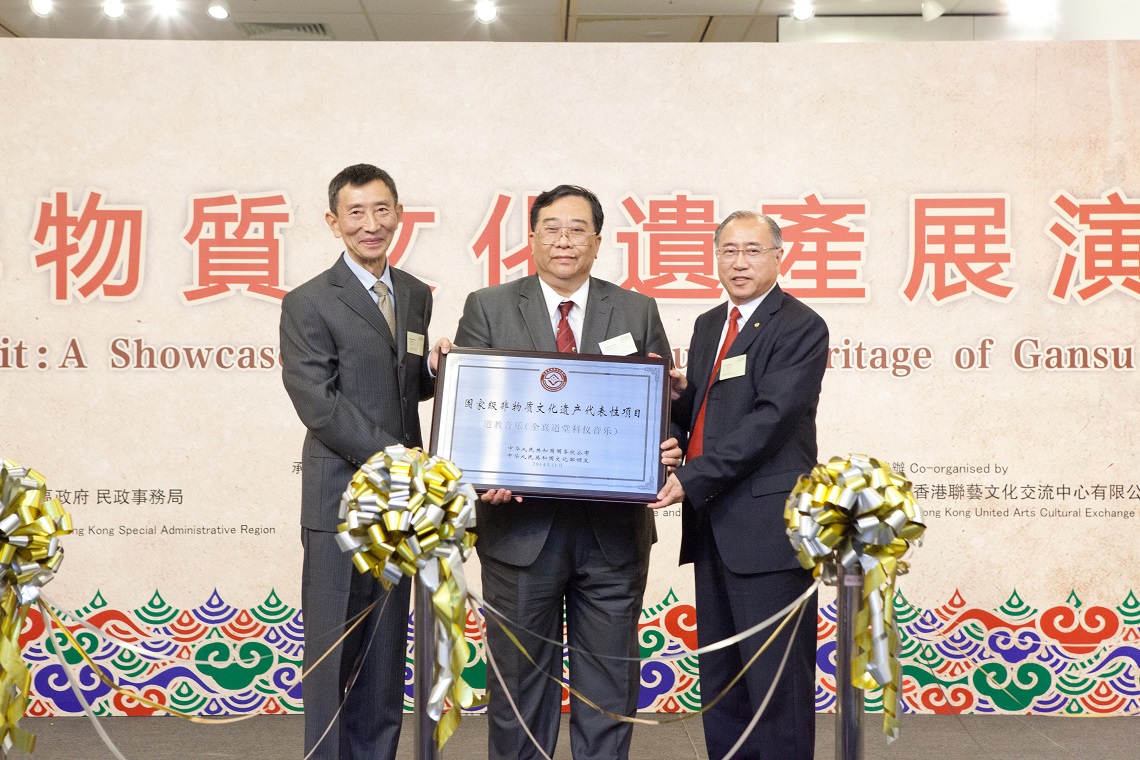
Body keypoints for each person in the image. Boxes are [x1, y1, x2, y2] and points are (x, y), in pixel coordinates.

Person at [454, 184, 675, 760]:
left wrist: (662, 451)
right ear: (531, 238)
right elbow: (474, 415)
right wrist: (482, 474)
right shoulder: (490, 307)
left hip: (613, 536)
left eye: (577, 229)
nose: (563, 240)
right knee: (519, 689)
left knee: (608, 689)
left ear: (598, 243)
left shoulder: (636, 310)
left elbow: (660, 407)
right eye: (551, 228)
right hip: (519, 533)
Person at [280, 163, 449, 760]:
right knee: (331, 652)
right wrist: (399, 459)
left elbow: (404, 388)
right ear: (333, 222)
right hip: (339, 501)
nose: (371, 225)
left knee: (383, 652)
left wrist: (437, 372)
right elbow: (318, 406)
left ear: (399, 214)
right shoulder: (306, 303)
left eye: (382, 211)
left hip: (402, 507)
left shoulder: (415, 294)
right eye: (356, 213)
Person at [651, 211, 828, 760]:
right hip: (713, 525)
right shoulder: (710, 324)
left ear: (779, 256)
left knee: (775, 683)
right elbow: (708, 408)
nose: (739, 262)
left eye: (752, 250)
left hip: (768, 530)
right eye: (728, 250)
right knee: (722, 678)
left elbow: (770, 421)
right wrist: (673, 426)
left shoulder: (799, 325)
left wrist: (691, 476)